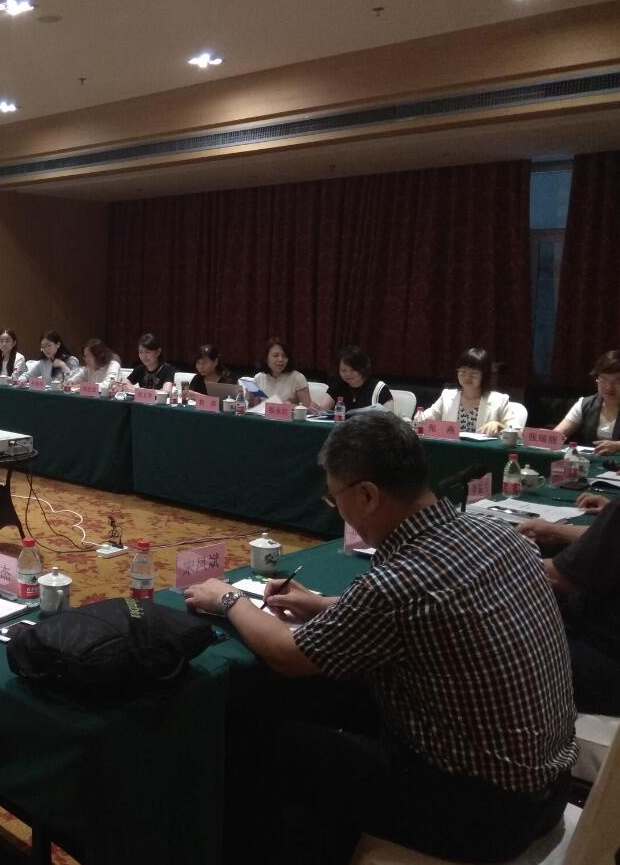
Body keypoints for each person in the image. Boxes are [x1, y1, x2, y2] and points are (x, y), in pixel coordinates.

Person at [184, 411, 577, 865]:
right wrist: (323, 604)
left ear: (368, 495)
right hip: (549, 787)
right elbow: (434, 608)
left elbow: (287, 654)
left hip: (483, 813)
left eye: (334, 497)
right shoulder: (497, 536)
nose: (335, 509)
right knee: (336, 700)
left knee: (264, 738)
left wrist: (228, 598)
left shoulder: (400, 582)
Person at [517, 492, 620, 716]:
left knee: (501, 644)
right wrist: (555, 530)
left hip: (603, 659)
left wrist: (503, 552)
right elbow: (606, 538)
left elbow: (561, 577)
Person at [420, 347, 520, 435]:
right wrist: (418, 419)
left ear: (484, 375)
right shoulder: (447, 396)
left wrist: (499, 425)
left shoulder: (499, 400)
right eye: (463, 371)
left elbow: (518, 432)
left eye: (474, 373)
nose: (467, 377)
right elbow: (422, 421)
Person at [554, 349, 620, 455]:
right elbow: (557, 435)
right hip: (591, 461)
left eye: (618, 381)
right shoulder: (586, 404)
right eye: (603, 379)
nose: (609, 387)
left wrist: (617, 446)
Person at [316, 345, 393, 413]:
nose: (348, 374)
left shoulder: (379, 387)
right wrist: (316, 409)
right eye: (343, 370)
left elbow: (390, 418)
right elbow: (322, 409)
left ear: (362, 368)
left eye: (353, 370)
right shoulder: (338, 385)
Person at [249, 337, 310, 405]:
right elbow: (255, 407)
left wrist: (293, 406)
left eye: (284, 356)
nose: (280, 359)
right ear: (266, 358)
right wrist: (249, 398)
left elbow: (307, 408)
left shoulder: (297, 378)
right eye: (275, 356)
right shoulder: (259, 378)